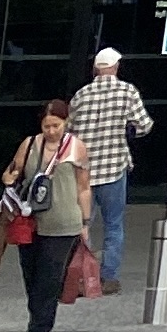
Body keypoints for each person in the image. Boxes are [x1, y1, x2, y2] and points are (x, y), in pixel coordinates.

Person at [0, 97, 92, 332]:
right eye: (46, 126)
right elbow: (13, 171)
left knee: (49, 276)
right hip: (30, 220)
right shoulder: (29, 144)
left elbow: (83, 187)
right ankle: (37, 317)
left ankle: (39, 328)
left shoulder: (76, 147)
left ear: (66, 122)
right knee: (30, 273)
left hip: (64, 221)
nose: (51, 131)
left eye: (56, 126)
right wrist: (10, 178)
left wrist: (85, 222)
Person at [65, 45, 153, 285]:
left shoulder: (81, 94)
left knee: (81, 224)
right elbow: (144, 125)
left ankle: (80, 278)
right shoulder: (127, 91)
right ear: (116, 67)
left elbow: (68, 130)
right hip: (113, 168)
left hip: (83, 171)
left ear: (95, 69)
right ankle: (108, 278)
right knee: (113, 226)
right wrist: (128, 130)